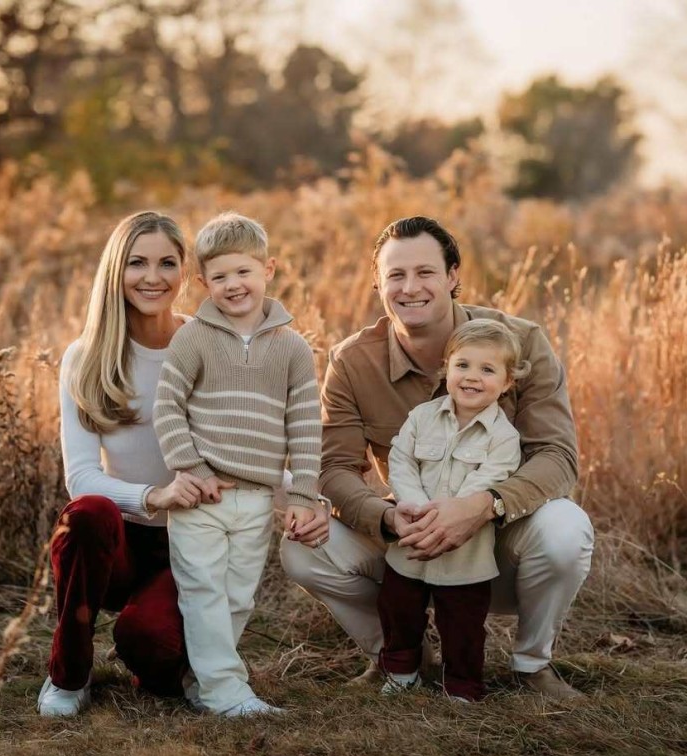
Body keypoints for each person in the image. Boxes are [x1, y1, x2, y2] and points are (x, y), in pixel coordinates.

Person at [281, 215, 595, 700]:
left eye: (425, 272)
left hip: (497, 543)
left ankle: (533, 666)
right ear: (378, 284)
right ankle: (397, 653)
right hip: (408, 539)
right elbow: (334, 468)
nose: (410, 288)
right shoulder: (352, 361)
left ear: (452, 275)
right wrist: (385, 516)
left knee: (566, 528)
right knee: (302, 547)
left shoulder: (522, 342)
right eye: (395, 275)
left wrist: (482, 505)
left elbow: (556, 456)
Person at [38, 211, 216, 717]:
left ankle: (161, 645)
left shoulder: (205, 344)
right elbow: (80, 477)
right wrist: (151, 495)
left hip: (191, 538)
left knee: (149, 645)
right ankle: (69, 675)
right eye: (137, 263)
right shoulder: (87, 356)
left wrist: (302, 491)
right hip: (116, 540)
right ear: (117, 271)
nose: (152, 277)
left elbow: (249, 445)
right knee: (86, 512)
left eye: (166, 263)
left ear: (184, 272)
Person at [153, 212, 326, 717]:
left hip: (254, 499)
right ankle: (227, 691)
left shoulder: (293, 348)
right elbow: (168, 407)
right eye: (221, 276)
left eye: (244, 272)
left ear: (268, 268)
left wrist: (304, 492)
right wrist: (193, 468)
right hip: (201, 497)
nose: (234, 285)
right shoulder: (194, 339)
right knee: (204, 592)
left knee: (236, 598)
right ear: (204, 283)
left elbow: (306, 425)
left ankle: (199, 681)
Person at [379, 319, 528, 702]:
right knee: (398, 610)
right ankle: (401, 669)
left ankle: (462, 685)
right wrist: (411, 502)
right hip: (409, 540)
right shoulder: (421, 417)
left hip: (465, 554)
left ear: (507, 382)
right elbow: (401, 460)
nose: (472, 377)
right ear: (447, 367)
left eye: (487, 369)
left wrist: (451, 512)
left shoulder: (504, 437)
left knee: (463, 624)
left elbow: (492, 478)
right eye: (463, 365)